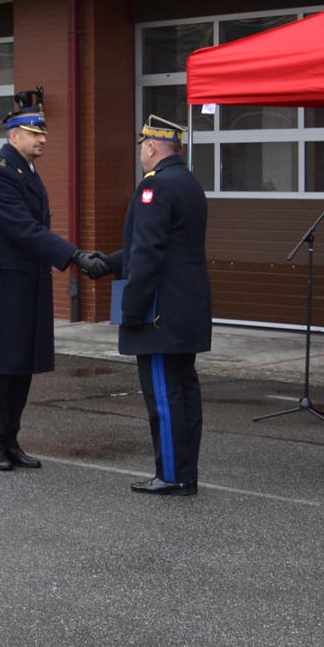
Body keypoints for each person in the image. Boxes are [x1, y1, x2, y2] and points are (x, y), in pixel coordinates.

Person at [0, 90, 106, 471]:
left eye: (43, 132)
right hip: (3, 286)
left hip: (25, 282)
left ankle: (11, 440)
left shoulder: (26, 171)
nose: (42, 138)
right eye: (33, 131)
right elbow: (24, 229)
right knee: (2, 364)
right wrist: (73, 256)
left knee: (21, 364)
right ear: (14, 135)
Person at [98, 116, 209, 496]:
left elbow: (148, 254)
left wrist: (131, 310)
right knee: (185, 391)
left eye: (142, 146)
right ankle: (185, 471)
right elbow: (164, 245)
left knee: (163, 396)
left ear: (150, 147)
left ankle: (171, 475)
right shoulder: (189, 184)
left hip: (159, 313)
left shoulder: (155, 188)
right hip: (186, 308)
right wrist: (108, 262)